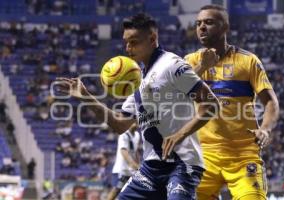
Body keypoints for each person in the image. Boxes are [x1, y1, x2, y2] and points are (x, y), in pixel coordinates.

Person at [57, 13, 219, 200]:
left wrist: (180, 134)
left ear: (152, 39)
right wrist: (86, 96)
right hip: (151, 168)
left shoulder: (172, 65)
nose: (128, 48)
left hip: (182, 164)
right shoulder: (137, 81)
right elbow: (119, 124)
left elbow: (211, 105)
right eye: (126, 42)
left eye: (133, 42)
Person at [184, 5, 280, 200]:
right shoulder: (190, 61)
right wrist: (203, 66)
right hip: (203, 155)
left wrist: (266, 129)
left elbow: (270, 103)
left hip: (243, 154)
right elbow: (178, 94)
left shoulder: (248, 61)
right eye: (198, 23)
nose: (202, 27)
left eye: (209, 22)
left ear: (225, 27)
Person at [107, 123, 140, 200]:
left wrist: (138, 164)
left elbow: (136, 151)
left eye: (137, 121)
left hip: (131, 171)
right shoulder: (124, 134)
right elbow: (123, 151)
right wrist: (134, 165)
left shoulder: (137, 135)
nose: (135, 123)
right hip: (122, 170)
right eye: (133, 121)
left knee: (133, 192)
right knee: (116, 190)